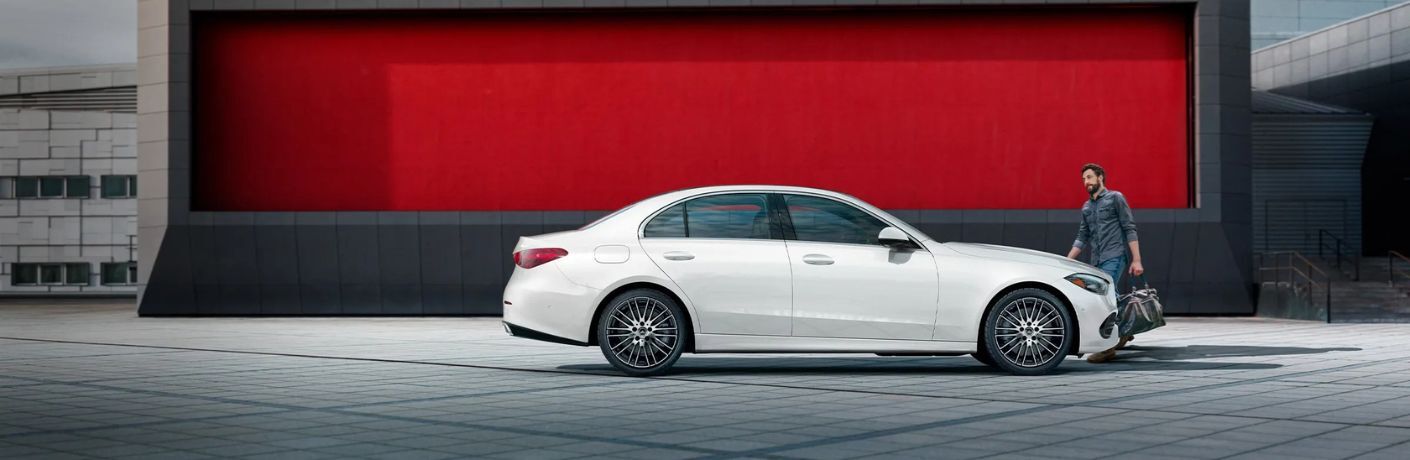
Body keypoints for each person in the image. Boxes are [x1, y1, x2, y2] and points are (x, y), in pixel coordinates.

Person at [1066, 163, 1143, 363]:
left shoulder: (1115, 198)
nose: (1086, 182)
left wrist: (1136, 260)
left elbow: (1129, 227)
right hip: (1097, 260)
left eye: (1089, 177)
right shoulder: (1087, 207)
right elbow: (1082, 236)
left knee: (1104, 298)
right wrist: (1066, 261)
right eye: (1083, 179)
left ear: (1100, 177)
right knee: (1110, 295)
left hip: (1115, 255)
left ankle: (1108, 347)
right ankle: (1126, 328)